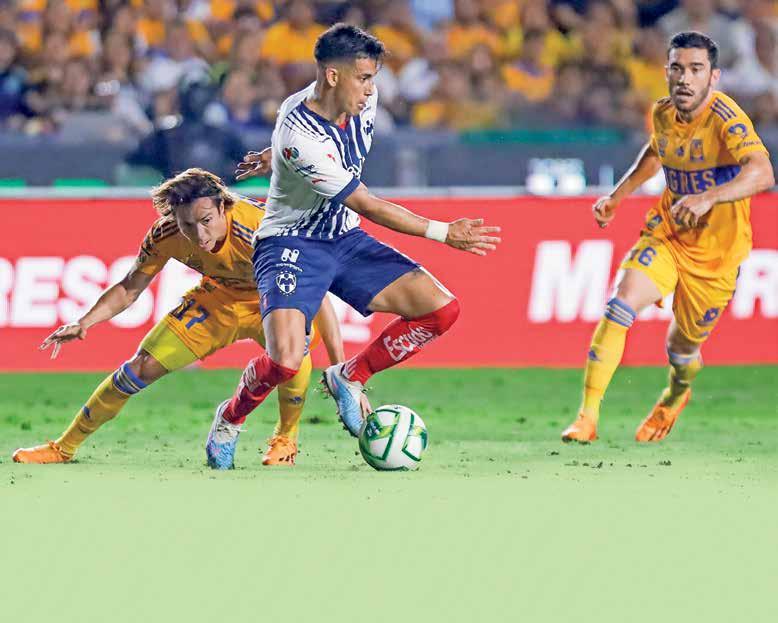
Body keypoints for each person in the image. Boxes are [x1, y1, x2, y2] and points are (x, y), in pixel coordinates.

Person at [205, 23, 500, 470]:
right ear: (332, 76)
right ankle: (230, 419)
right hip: (290, 243)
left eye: (372, 78)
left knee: (441, 310)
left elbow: (299, 149)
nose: (371, 90)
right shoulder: (301, 135)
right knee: (285, 362)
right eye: (362, 78)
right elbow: (367, 203)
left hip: (342, 237)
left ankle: (350, 375)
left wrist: (272, 156)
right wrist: (443, 233)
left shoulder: (356, 101)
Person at [13, 168, 343, 467]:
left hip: (275, 300)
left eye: (206, 220)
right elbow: (129, 287)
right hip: (217, 301)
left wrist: (339, 369)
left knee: (293, 358)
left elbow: (318, 293)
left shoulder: (262, 229)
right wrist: (85, 322)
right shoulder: (166, 234)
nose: (199, 235)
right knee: (138, 368)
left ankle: (285, 439)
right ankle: (63, 448)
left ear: (223, 206)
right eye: (188, 224)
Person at [562, 32, 774, 444]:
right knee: (620, 305)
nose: (684, 78)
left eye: (695, 69)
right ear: (666, 72)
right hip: (668, 234)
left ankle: (676, 394)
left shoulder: (726, 119)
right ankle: (586, 418)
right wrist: (618, 196)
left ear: (713, 76)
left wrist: (708, 197)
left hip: (716, 257)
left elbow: (763, 172)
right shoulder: (662, 112)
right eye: (677, 68)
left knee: (682, 352)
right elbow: (656, 153)